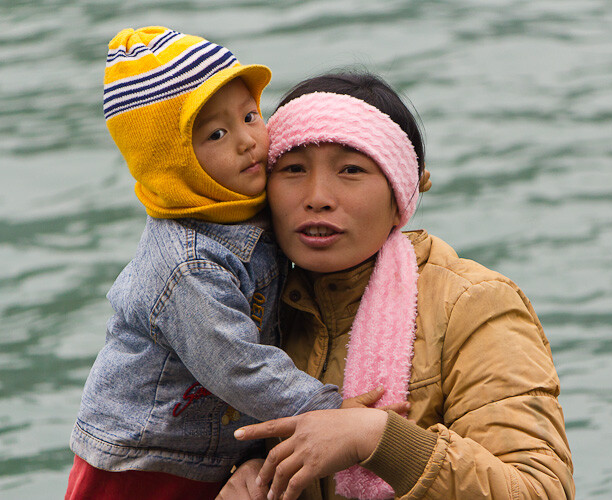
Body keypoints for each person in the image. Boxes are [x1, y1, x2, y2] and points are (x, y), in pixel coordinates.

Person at [217, 73, 575, 500]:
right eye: (293, 169)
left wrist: (379, 440)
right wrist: (247, 473)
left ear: (399, 193)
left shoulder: (474, 305)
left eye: (351, 169)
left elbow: (540, 491)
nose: (317, 196)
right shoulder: (241, 308)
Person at [66, 28, 387, 500]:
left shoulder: (242, 205)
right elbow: (235, 364)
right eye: (217, 133)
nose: (247, 141)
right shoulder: (186, 263)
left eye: (251, 115)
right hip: (142, 457)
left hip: (205, 446)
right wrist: (329, 409)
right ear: (172, 163)